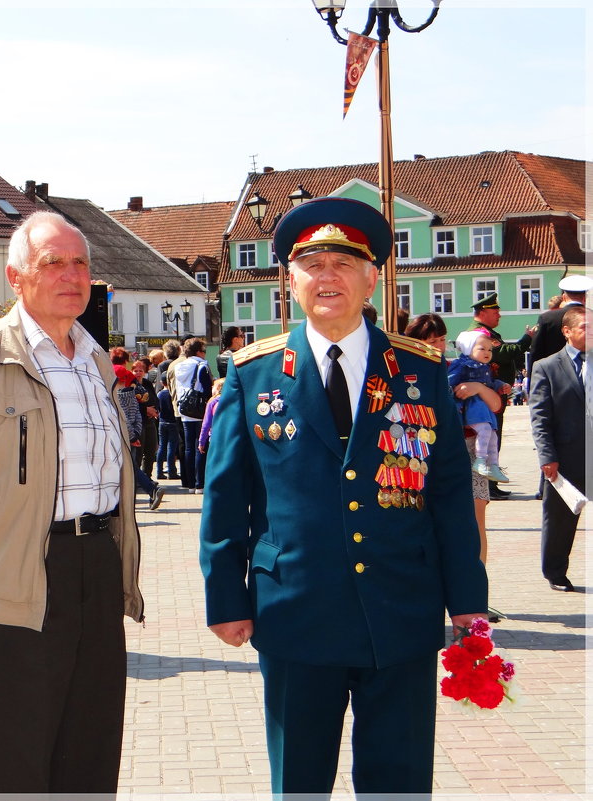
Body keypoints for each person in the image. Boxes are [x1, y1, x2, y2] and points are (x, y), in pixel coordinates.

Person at [200, 197, 487, 795]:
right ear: (290, 280)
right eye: (311, 263)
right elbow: (226, 496)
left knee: (399, 783)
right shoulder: (251, 375)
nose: (326, 276)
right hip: (295, 614)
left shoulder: (420, 370)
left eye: (343, 262)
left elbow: (450, 496)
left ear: (371, 277)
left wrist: (466, 598)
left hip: (401, 611)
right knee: (300, 783)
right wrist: (226, 595)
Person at [0, 210, 144, 794]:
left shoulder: (97, 363)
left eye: (80, 264)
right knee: (12, 761)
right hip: (15, 577)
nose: (72, 276)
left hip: (95, 568)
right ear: (17, 277)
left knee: (90, 751)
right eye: (53, 264)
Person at [408, 314, 503, 618]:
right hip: (419, 459)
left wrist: (477, 387)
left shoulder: (461, 369)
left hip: (469, 452)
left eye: (440, 339)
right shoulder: (405, 371)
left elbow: (496, 404)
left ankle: (476, 595)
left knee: (475, 522)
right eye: (430, 340)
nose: (437, 346)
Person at [529, 305, 590, 592]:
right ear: (567, 332)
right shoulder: (547, 367)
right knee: (560, 521)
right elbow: (540, 416)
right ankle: (555, 572)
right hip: (565, 456)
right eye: (585, 328)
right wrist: (547, 456)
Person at [469, 292, 533, 499]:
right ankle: (487, 486)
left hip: (494, 394)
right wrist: (527, 339)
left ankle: (492, 485)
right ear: (483, 312)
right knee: (488, 441)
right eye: (495, 311)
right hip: (487, 397)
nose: (499, 315)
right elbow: (505, 352)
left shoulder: (487, 333)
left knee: (493, 440)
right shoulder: (480, 333)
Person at [449, 329, 511, 482]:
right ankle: (480, 461)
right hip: (471, 407)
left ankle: (494, 465)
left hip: (483, 408)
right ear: (469, 349)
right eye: (482, 348)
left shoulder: (485, 368)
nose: (487, 352)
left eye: (489, 349)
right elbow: (449, 381)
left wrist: (501, 385)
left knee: (493, 435)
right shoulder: (462, 365)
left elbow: (489, 384)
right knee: (484, 430)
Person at [115, 364, 165, 509]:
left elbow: (122, 418)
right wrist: (136, 434)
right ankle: (151, 489)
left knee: (129, 468)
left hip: (124, 437)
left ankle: (151, 489)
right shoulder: (131, 394)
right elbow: (137, 415)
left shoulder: (117, 396)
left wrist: (131, 436)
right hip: (134, 435)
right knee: (131, 467)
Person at [173, 337, 212, 493]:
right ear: (198, 352)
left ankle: (189, 483)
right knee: (201, 446)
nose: (205, 354)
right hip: (199, 409)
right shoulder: (202, 365)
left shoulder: (178, 366)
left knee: (188, 447)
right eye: (204, 351)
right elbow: (207, 386)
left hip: (185, 409)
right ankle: (199, 483)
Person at [529, 274, 592, 365]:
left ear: (564, 297)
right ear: (584, 298)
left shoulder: (547, 318)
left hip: (553, 374)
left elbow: (536, 352)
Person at [132, 356, 159, 476]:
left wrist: (155, 410)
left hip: (150, 421)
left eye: (140, 370)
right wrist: (145, 409)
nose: (138, 373)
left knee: (151, 450)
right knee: (138, 452)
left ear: (144, 372)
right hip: (138, 422)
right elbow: (132, 404)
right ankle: (138, 479)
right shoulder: (131, 385)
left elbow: (155, 398)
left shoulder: (148, 383)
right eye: (135, 370)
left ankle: (147, 476)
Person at [197, 378, 226, 454]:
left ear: (218, 388)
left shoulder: (212, 402)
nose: (212, 387)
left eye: (213, 386)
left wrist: (201, 442)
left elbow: (206, 424)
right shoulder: (231, 400)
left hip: (215, 438)